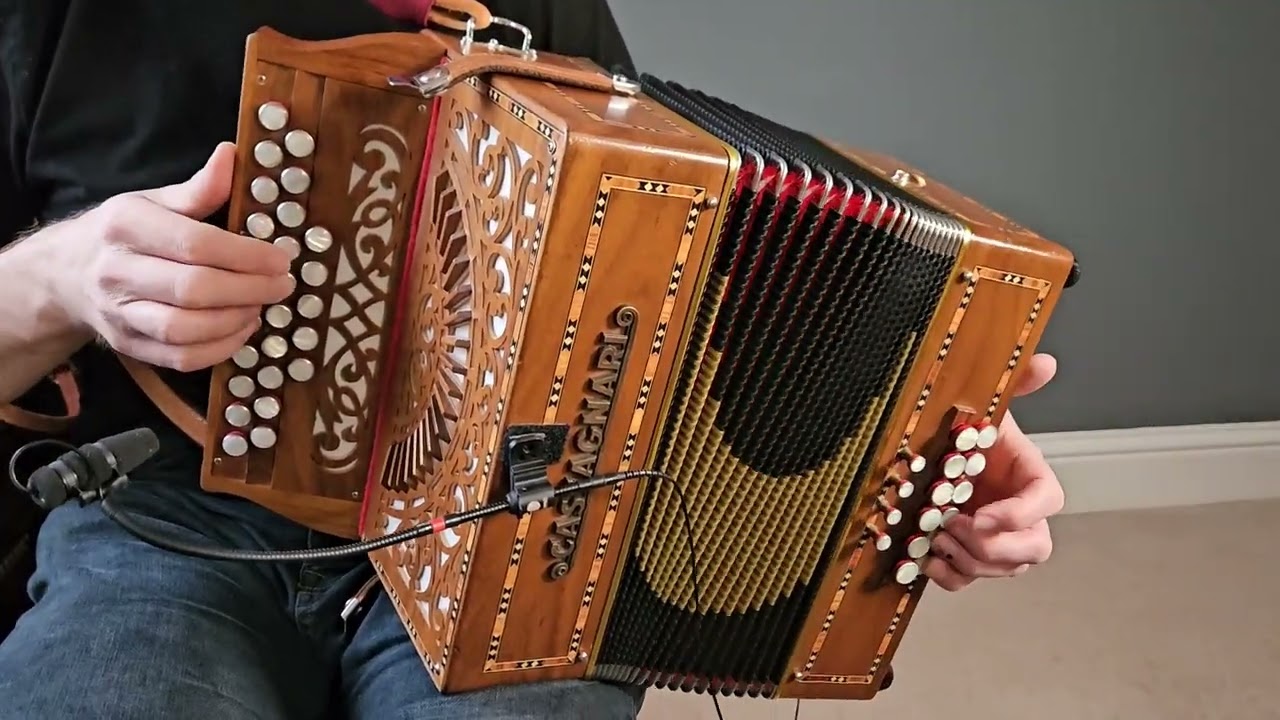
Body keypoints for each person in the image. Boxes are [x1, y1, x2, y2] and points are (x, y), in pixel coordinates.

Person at [0, 0, 1066, 717]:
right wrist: (58, 276)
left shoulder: (541, 15)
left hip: (514, 530)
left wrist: (919, 414)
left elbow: (672, 280)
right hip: (165, 518)